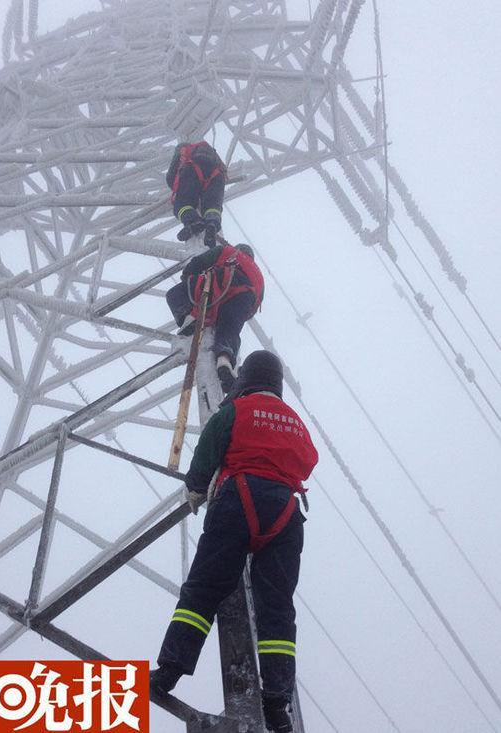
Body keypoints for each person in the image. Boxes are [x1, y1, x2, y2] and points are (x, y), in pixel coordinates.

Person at [150, 351, 319, 733]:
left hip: (238, 500)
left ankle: (169, 671)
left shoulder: (238, 408)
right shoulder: (295, 423)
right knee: (276, 609)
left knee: (205, 589)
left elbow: (210, 444)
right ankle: (277, 703)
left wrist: (196, 487)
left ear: (247, 377)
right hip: (285, 514)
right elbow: (308, 461)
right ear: (277, 383)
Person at [166, 242, 264, 393]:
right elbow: (252, 311)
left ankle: (189, 320)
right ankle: (224, 361)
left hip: (219, 284)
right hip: (244, 298)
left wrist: (187, 276)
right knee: (229, 331)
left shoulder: (229, 251)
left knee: (174, 295)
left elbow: (200, 262)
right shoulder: (259, 277)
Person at [166, 140, 227, 248]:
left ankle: (193, 222)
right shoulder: (211, 154)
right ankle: (212, 223)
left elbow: (170, 178)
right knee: (213, 206)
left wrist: (179, 189)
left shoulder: (183, 152)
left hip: (192, 171)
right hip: (217, 175)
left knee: (182, 205)